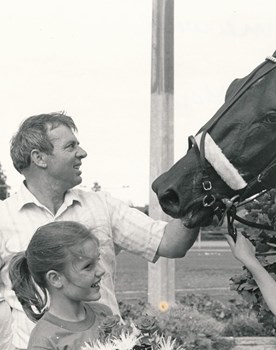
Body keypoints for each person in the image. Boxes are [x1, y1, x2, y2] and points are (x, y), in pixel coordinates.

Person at [0, 112, 200, 349]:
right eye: (70, 146)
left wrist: (200, 195)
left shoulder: (101, 205)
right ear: (39, 158)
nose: (82, 153)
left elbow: (170, 242)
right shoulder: (3, 217)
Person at [9, 221, 112, 349]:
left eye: (97, 260)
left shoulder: (104, 315)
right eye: (87, 266)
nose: (101, 270)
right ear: (55, 278)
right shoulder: (44, 341)